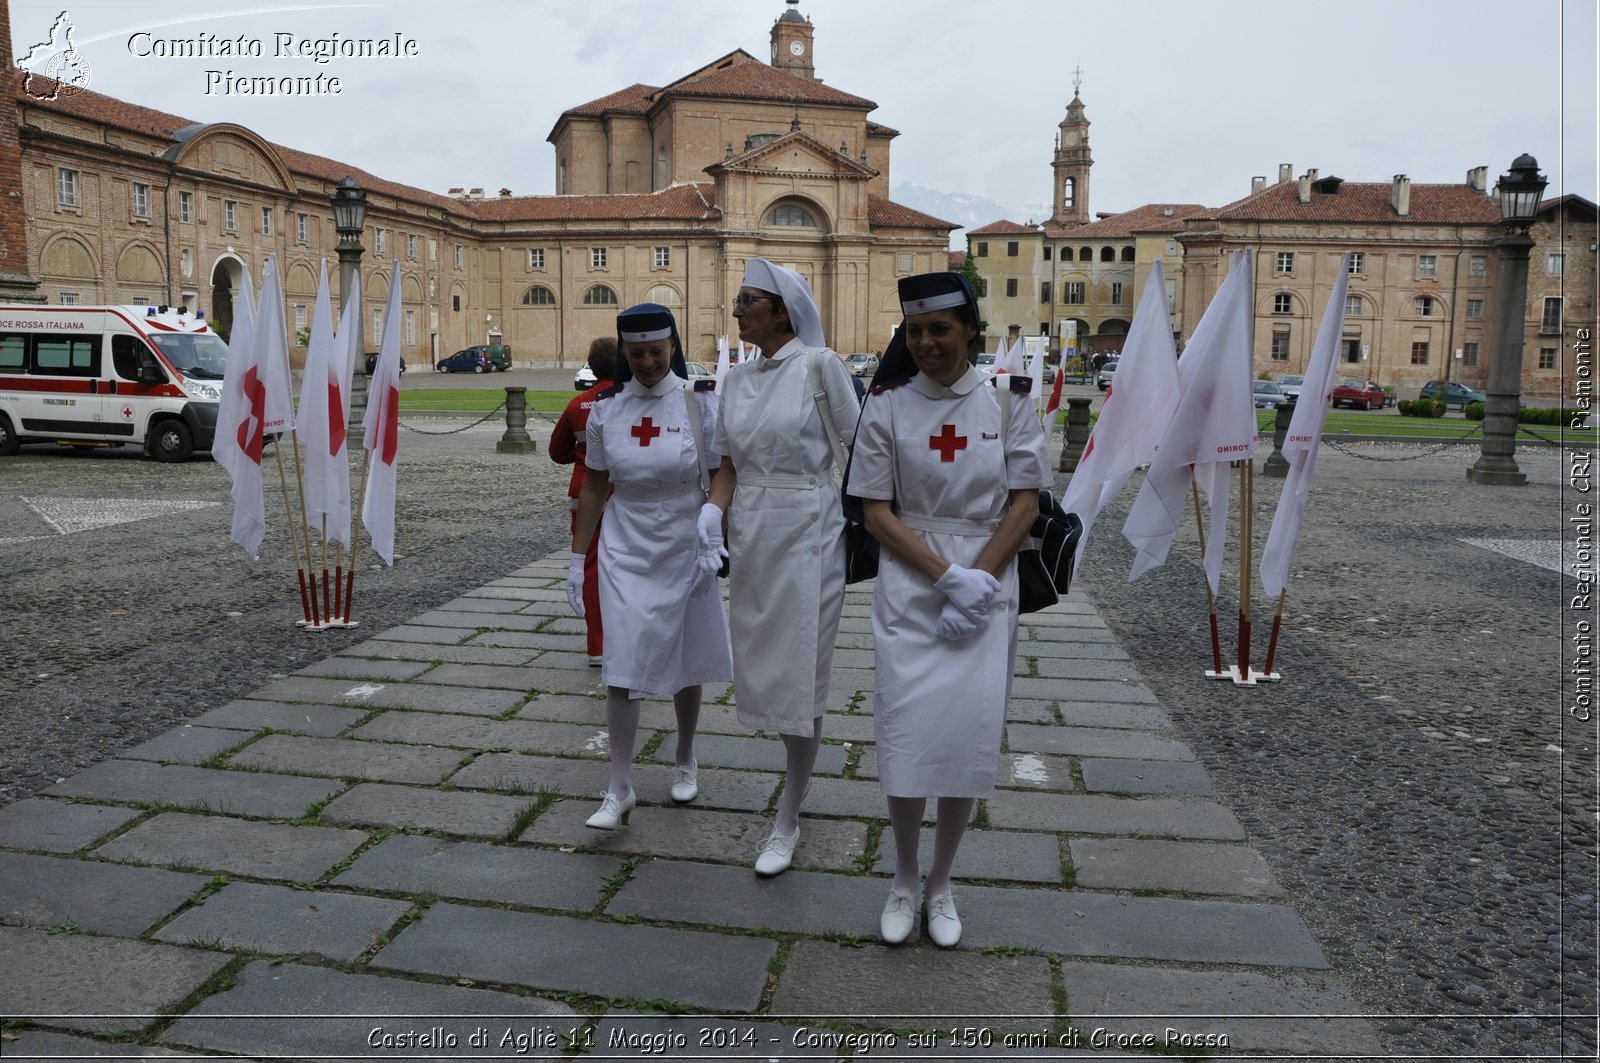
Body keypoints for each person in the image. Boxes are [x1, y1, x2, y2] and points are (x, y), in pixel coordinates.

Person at [849, 271, 1050, 947]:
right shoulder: (887, 406)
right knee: (907, 735)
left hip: (988, 581)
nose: (928, 342)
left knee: (963, 740)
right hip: (911, 582)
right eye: (915, 330)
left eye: (941, 328)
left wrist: (978, 578)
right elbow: (875, 511)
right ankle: (903, 876)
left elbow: (1025, 500)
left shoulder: (1009, 401)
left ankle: (942, 880)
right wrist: (945, 577)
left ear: (969, 328)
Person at [698, 259, 860, 876]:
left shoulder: (821, 367)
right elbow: (728, 464)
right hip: (754, 534)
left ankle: (789, 812)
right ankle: (794, 789)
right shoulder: (736, 381)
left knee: (802, 670)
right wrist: (712, 514)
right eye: (737, 298)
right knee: (766, 667)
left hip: (812, 530)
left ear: (783, 312)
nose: (736, 308)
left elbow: (863, 449)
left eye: (748, 300)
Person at [567, 304, 732, 829]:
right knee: (622, 659)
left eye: (656, 352)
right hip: (626, 540)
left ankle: (685, 754)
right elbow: (594, 484)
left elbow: (723, 471)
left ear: (671, 347)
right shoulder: (605, 412)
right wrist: (577, 558)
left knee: (685, 653)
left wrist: (714, 517)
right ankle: (619, 785)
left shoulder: (697, 403)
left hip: (685, 536)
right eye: (636, 354)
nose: (646, 362)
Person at [549, 337, 616, 666]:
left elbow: (556, 452)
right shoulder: (626, 401)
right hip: (619, 493)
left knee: (590, 567)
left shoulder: (579, 405)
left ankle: (597, 646)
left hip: (583, 492)